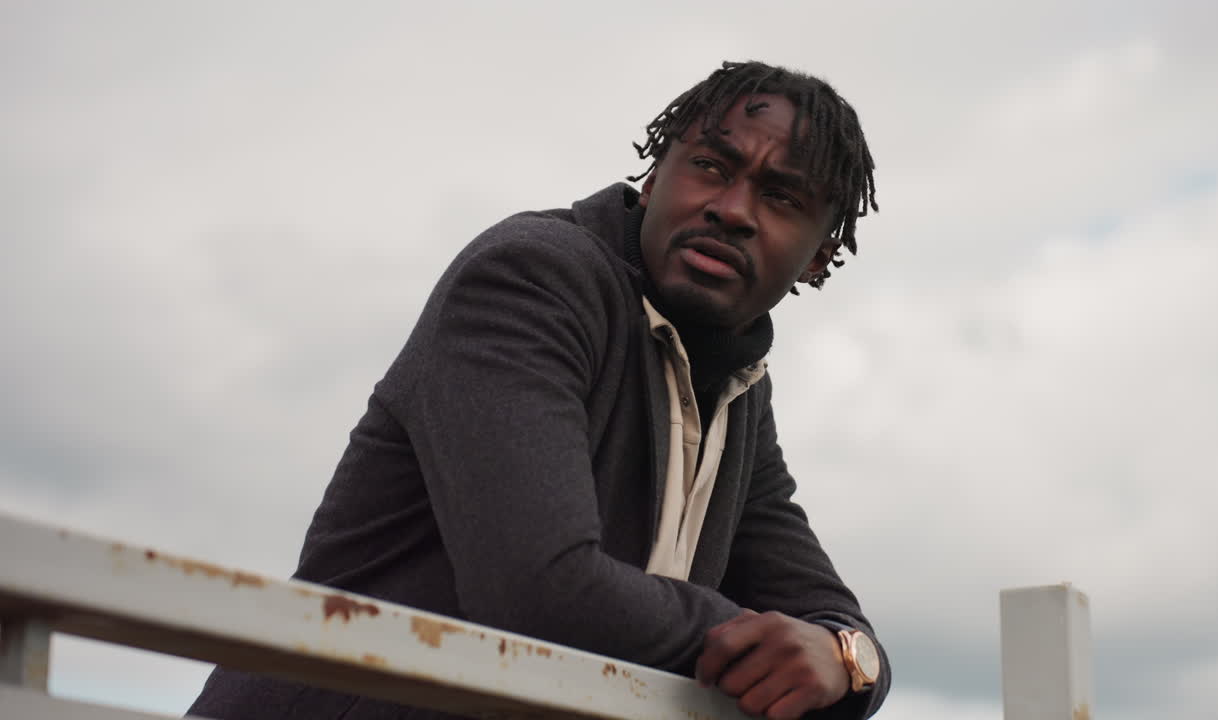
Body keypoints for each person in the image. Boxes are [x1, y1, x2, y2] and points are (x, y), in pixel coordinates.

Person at [189, 60, 889, 720]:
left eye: (781, 197)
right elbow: (542, 590)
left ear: (821, 255)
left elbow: (827, 614)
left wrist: (839, 657)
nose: (732, 209)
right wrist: (753, 639)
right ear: (652, 181)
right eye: (709, 166)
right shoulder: (533, 279)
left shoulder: (735, 387)